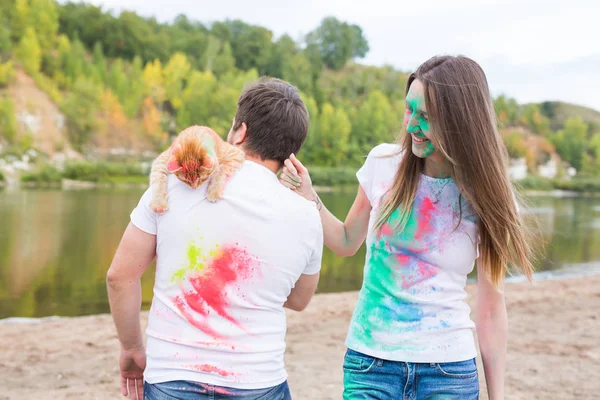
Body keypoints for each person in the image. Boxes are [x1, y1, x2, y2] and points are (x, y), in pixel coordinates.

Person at [280, 55, 533, 400]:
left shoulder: (487, 195)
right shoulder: (383, 164)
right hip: (371, 364)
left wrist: (497, 396)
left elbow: (491, 308)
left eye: (426, 117)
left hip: (448, 372)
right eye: (408, 109)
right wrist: (311, 196)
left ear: (460, 122)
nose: (411, 124)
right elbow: (345, 242)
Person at [107, 78, 323, 400]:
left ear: (240, 131)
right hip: (258, 381)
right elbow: (299, 299)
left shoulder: (173, 184)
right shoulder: (306, 214)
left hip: (173, 377)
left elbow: (120, 277)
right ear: (292, 152)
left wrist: (132, 348)